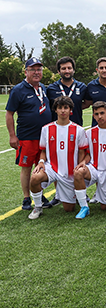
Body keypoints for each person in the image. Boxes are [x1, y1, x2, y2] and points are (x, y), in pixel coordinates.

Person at [27, 96, 88, 219]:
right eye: (60, 108)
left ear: (70, 110)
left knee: (69, 209)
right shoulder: (46, 129)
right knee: (34, 178)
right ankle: (38, 207)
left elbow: (82, 153)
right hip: (52, 168)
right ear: (55, 110)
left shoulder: (79, 130)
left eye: (66, 107)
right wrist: (41, 162)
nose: (63, 111)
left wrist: (79, 169)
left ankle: (76, 196)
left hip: (69, 173)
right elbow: (43, 151)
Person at [6, 57, 53, 210]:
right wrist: (13, 136)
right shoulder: (18, 90)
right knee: (26, 168)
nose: (36, 72)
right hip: (27, 137)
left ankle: (39, 194)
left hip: (44, 138)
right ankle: (27, 197)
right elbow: (9, 114)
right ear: (26, 71)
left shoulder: (43, 88)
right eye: (33, 69)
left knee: (41, 168)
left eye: (39, 69)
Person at [72, 101, 106, 219]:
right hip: (94, 168)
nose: (100, 116)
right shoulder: (89, 133)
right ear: (93, 116)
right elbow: (89, 153)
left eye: (102, 113)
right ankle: (84, 207)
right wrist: (83, 162)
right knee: (78, 172)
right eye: (97, 114)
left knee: (105, 207)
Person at [47, 57, 87, 126]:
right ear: (58, 71)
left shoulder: (82, 87)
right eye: (63, 68)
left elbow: (87, 103)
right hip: (56, 129)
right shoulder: (51, 88)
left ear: (73, 70)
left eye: (69, 68)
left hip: (76, 128)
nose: (67, 71)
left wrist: (72, 107)